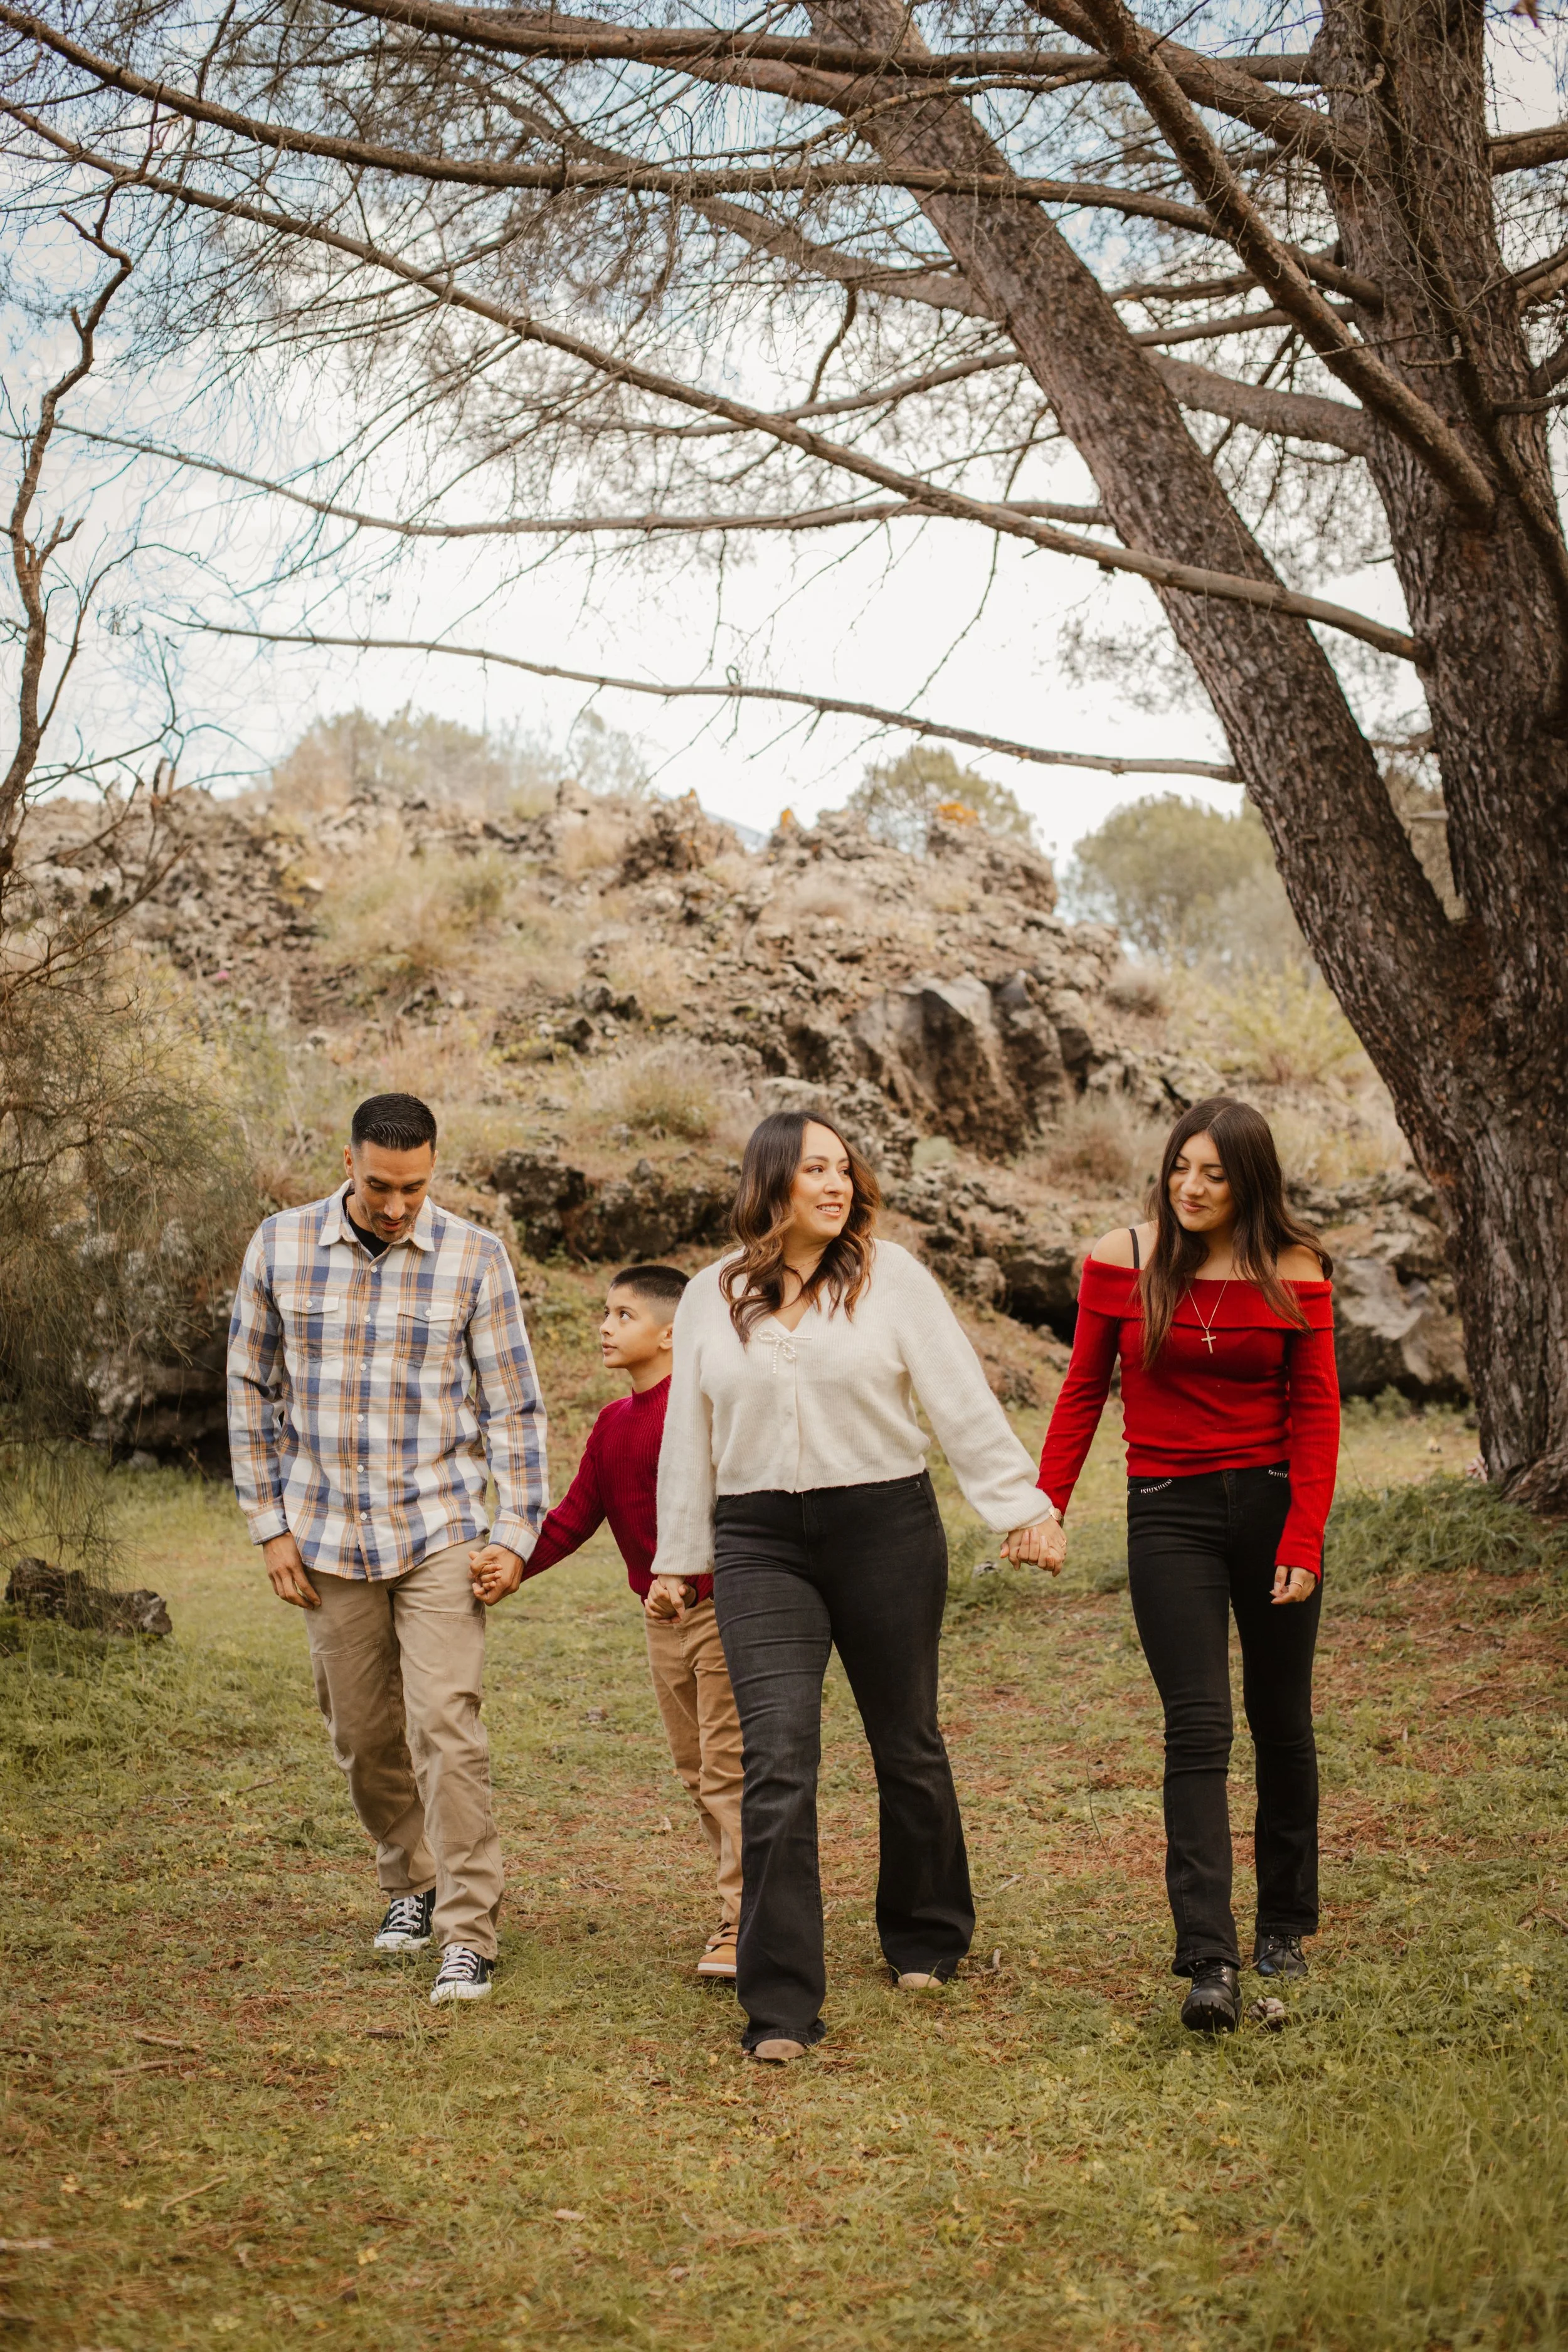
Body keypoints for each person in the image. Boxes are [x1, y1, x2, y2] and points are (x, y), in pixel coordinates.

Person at [650, 1110, 1056, 2063]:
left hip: (885, 1527)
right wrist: (678, 1556)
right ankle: (781, 1999)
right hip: (759, 1542)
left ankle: (924, 1931)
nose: (835, 1185)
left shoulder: (891, 1277)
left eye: (844, 1169)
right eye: (813, 1170)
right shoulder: (713, 1293)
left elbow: (959, 1394)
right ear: (771, 1184)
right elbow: (689, 1433)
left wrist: (1019, 1505)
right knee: (778, 1762)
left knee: (905, 1739)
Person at [1024, 1095, 1338, 2033]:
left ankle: (1284, 1920)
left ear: (1250, 1181)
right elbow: (1084, 1388)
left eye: (1214, 1173)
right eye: (1180, 1169)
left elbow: (1317, 1410)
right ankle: (1209, 1957)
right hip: (1168, 1513)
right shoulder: (1122, 1260)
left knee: (1279, 1717)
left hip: (1273, 1502)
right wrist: (1048, 1501)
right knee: (1196, 1727)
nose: (1192, 1188)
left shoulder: (1294, 1267)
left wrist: (1305, 1535)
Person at [226, 1091, 548, 2006]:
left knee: (446, 1721)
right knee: (362, 1732)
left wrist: (515, 1531)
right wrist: (269, 1525)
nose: (396, 1204)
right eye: (379, 1185)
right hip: (325, 1529)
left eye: (414, 1186)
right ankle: (409, 1880)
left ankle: (468, 1931)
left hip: (440, 1523)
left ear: (433, 1166)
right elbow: (250, 1391)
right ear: (348, 1159)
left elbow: (515, 1407)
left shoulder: (475, 1258)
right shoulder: (279, 1246)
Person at [519, 1263, 746, 1980]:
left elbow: (730, 1513)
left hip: (721, 1612)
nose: (604, 1327)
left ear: (671, 1331)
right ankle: (750, 1904)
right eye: (606, 1313)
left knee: (728, 1772)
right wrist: (510, 1566)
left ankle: (747, 1921)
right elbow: (575, 1516)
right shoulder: (614, 1423)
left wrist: (688, 1581)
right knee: (693, 1771)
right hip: (660, 1626)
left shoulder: (702, 1407)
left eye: (623, 1315)